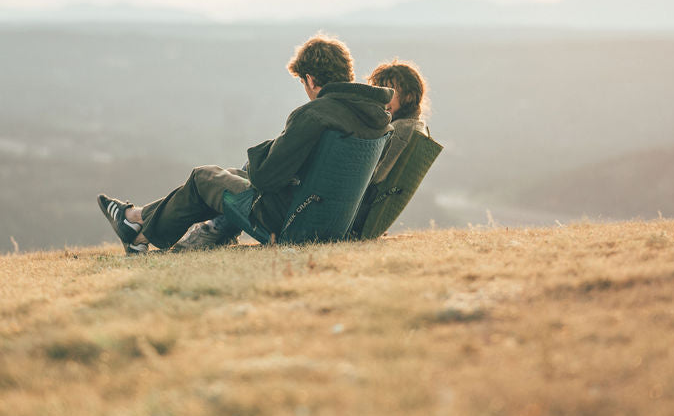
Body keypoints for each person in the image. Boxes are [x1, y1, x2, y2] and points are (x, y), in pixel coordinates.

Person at [98, 34, 393, 253]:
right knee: (230, 176)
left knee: (204, 177)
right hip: (328, 219)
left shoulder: (315, 114)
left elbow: (264, 179)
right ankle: (135, 220)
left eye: (303, 84)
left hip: (290, 221)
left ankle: (138, 232)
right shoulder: (375, 116)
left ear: (311, 79)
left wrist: (266, 151)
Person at [350, 59, 430, 235]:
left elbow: (375, 177)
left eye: (389, 91)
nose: (382, 99)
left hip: (356, 216)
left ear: (409, 96)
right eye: (379, 91)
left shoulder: (400, 130)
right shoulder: (415, 126)